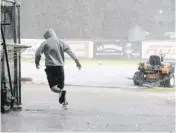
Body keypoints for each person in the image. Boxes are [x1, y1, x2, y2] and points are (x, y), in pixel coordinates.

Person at [35, 28, 81, 108]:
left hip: (50, 67)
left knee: (53, 87)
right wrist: (77, 61)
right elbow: (70, 52)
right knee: (61, 86)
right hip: (60, 67)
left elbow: (38, 53)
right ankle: (64, 103)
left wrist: (37, 62)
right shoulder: (61, 42)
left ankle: (61, 93)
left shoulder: (45, 43)